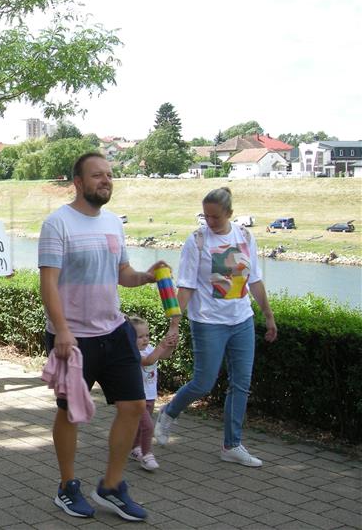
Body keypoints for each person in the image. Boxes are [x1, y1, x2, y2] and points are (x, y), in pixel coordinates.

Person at [39, 152, 173, 521]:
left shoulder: (114, 222)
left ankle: (111, 486)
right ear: (78, 182)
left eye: (109, 175)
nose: (106, 181)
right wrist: (62, 330)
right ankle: (67, 487)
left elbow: (123, 272)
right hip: (74, 338)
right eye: (97, 175)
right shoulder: (57, 224)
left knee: (133, 407)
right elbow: (48, 284)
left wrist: (145, 276)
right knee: (70, 414)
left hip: (115, 331)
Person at [155, 187, 277, 467]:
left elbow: (254, 280)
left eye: (215, 218)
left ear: (230, 215)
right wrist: (175, 324)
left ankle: (231, 445)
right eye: (205, 216)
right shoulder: (196, 241)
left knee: (241, 384)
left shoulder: (245, 236)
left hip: (241, 320)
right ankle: (169, 413)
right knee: (203, 383)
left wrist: (268, 315)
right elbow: (184, 286)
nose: (209, 222)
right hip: (208, 322)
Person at [127, 315, 175, 472]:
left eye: (147, 335)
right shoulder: (133, 352)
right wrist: (161, 346)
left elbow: (163, 356)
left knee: (140, 426)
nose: (145, 339)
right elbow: (148, 361)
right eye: (140, 337)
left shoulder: (148, 348)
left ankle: (134, 448)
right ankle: (147, 455)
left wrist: (170, 346)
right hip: (136, 396)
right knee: (148, 426)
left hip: (150, 395)